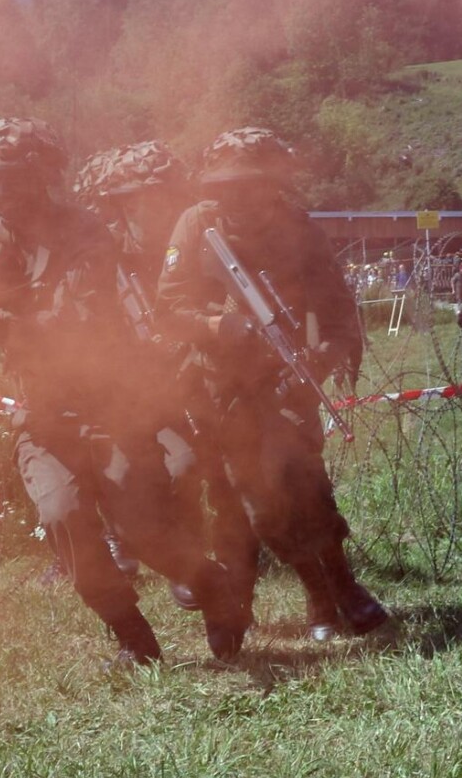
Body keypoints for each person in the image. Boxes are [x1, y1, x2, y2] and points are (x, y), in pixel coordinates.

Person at [0, 119, 247, 669]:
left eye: (9, 178)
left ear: (41, 176)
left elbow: (77, 318)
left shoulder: (85, 231)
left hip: (112, 406)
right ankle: (132, 637)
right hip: (45, 413)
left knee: (145, 529)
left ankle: (214, 589)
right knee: (63, 516)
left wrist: (9, 298)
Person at [159, 128, 393, 643]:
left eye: (249, 185)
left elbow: (337, 316)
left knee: (306, 485)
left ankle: (336, 592)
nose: (236, 198)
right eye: (225, 187)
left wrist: (319, 366)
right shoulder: (197, 225)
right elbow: (169, 306)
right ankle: (239, 612)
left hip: (285, 379)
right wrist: (221, 324)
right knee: (241, 501)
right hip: (216, 385)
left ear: (273, 185)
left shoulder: (301, 231)